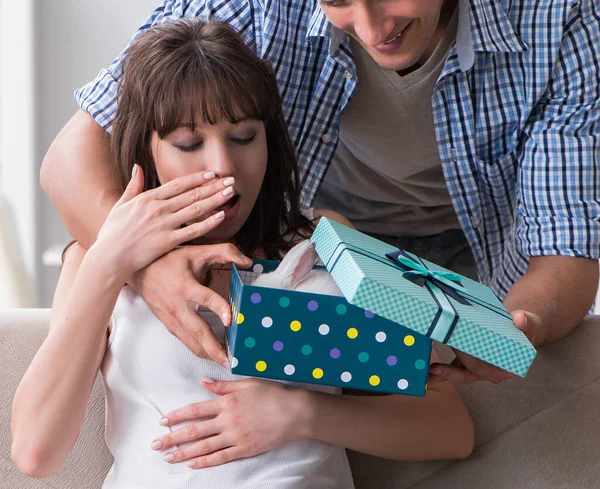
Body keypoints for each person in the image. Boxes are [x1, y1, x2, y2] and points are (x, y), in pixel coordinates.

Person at [11, 19, 474, 485]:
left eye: (244, 137)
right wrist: (113, 260)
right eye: (189, 144)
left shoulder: (320, 244)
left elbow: (450, 430)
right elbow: (35, 453)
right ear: (146, 152)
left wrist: (302, 413)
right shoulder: (97, 263)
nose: (223, 167)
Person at [40, 0, 600, 384]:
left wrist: (519, 328)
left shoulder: (562, 15)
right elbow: (70, 158)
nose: (373, 27)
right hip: (312, 244)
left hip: (479, 260)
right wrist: (145, 267)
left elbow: (568, 248)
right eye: (337, 0)